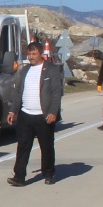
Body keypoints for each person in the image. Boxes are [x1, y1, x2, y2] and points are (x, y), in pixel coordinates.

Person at [6, 38, 64, 186]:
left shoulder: (51, 69)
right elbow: (18, 91)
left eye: (34, 53)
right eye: (29, 53)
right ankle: (19, 177)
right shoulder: (25, 70)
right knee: (23, 146)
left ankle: (49, 173)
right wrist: (13, 111)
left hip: (43, 116)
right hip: (26, 115)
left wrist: (53, 112)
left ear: (41, 54)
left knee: (46, 146)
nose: (31, 56)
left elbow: (57, 93)